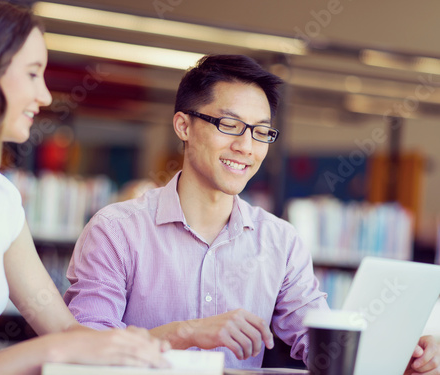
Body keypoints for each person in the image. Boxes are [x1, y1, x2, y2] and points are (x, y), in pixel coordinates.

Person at [64, 54, 440, 372]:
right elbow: (82, 352)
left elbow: (316, 344)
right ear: (184, 126)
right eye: (229, 125)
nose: (246, 146)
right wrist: (184, 333)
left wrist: (390, 356)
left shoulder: (280, 241)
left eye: (261, 132)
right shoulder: (116, 230)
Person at [0, 0, 170, 373]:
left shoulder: (0, 198)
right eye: (33, 74)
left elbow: (65, 330)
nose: (45, 96)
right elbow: (59, 346)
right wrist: (41, 353)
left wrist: (171, 342)